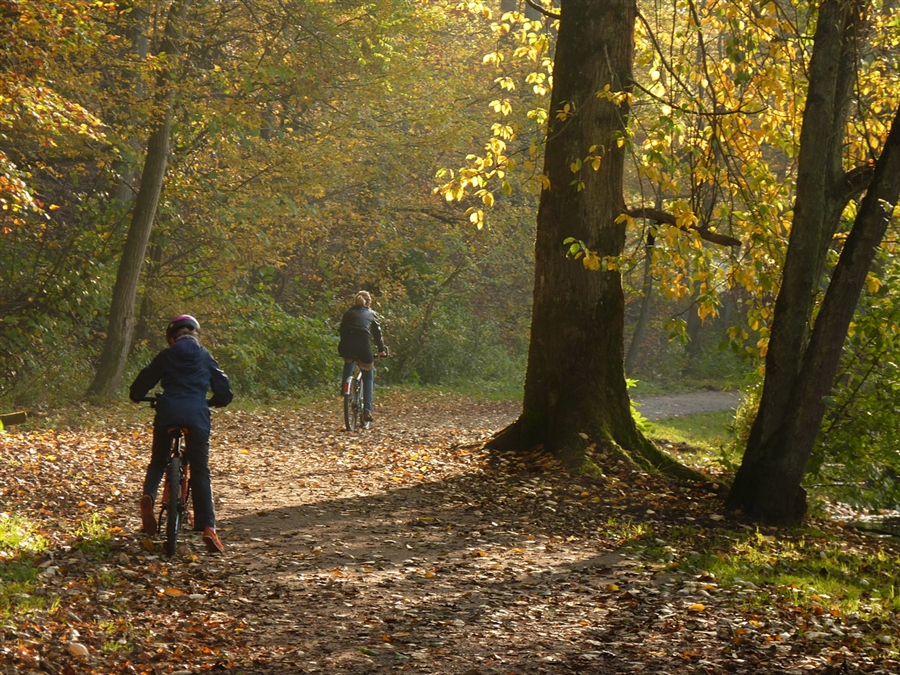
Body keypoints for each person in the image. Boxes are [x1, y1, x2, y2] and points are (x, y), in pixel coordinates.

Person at [130, 314, 233, 553]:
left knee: (158, 461)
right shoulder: (204, 355)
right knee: (200, 470)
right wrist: (217, 401)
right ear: (195, 334)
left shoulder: (166, 356)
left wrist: (136, 395)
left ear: (171, 337)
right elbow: (224, 388)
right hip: (197, 414)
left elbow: (144, 379)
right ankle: (208, 528)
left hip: (168, 412)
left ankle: (149, 496)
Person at [338, 290, 387, 422]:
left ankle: (345, 386)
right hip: (363, 345)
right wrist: (381, 350)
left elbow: (342, 330)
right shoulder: (371, 313)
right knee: (368, 375)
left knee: (349, 360)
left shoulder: (348, 313)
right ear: (369, 302)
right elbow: (377, 334)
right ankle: (367, 411)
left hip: (347, 344)